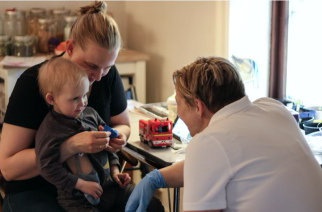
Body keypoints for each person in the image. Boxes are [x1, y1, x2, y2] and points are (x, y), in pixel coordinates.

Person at [0, 1, 164, 211]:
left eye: (107, 67)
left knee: (151, 206)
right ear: (69, 47)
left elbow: (122, 124)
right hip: (36, 189)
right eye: (91, 66)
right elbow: (8, 168)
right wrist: (70, 146)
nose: (98, 76)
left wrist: (116, 137)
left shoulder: (106, 76)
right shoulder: (33, 83)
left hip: (96, 185)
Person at [125, 56, 322, 212]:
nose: (179, 112)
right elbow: (212, 160)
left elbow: (209, 154)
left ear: (198, 107)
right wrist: (156, 178)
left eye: (179, 103)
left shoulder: (208, 142)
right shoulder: (274, 108)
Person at [35, 57, 131, 212]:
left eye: (85, 95)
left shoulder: (91, 114)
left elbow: (108, 142)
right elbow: (46, 167)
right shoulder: (49, 130)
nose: (83, 103)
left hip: (109, 187)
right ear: (52, 99)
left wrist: (115, 170)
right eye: (75, 98)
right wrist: (80, 184)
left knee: (151, 203)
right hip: (78, 200)